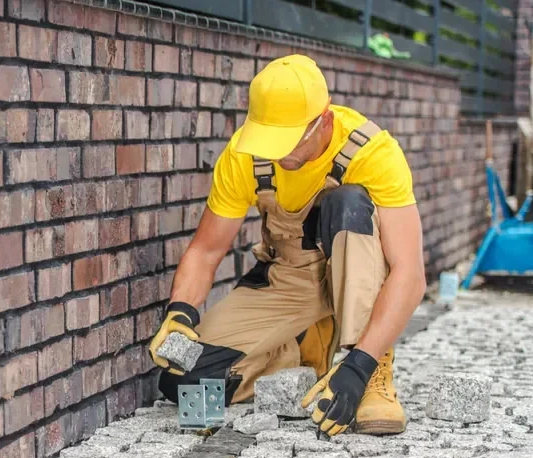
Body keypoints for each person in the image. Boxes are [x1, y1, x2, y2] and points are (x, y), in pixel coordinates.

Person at [148, 53, 426, 437]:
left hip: (357, 271)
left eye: (288, 140)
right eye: (269, 139)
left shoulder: (372, 151)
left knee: (348, 203)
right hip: (288, 279)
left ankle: (371, 366)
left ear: (323, 121)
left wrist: (359, 366)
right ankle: (301, 355)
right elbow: (206, 251)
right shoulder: (243, 156)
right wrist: (180, 313)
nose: (278, 154)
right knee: (184, 378)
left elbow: (410, 274)